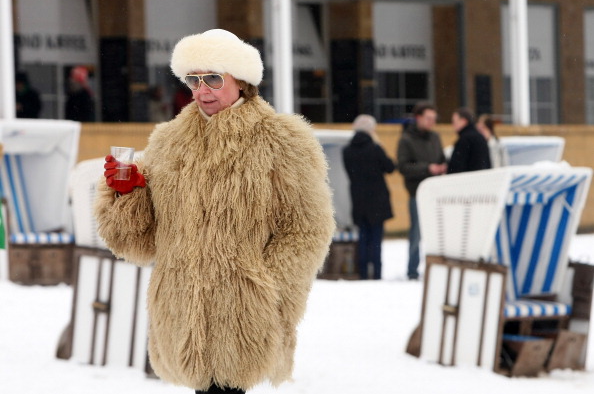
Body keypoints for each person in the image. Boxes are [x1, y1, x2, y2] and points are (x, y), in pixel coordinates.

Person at [93, 29, 335, 394]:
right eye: (193, 79)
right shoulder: (168, 141)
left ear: (241, 81)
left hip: (243, 313)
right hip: (181, 308)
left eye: (213, 79)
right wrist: (128, 194)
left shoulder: (281, 140)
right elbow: (139, 240)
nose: (201, 90)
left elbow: (306, 230)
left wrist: (264, 293)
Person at [397, 103, 447, 280]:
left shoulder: (435, 137)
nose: (432, 122)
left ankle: (436, 268)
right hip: (417, 193)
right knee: (416, 234)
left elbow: (441, 157)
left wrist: (443, 166)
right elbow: (402, 167)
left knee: (438, 233)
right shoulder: (406, 139)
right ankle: (412, 271)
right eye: (428, 118)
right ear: (418, 117)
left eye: (434, 119)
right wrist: (427, 168)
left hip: (436, 193)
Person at [342, 115, 396, 280]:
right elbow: (390, 167)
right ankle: (377, 273)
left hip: (358, 200)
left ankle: (364, 273)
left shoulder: (346, 151)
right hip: (377, 201)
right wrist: (379, 146)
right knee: (376, 239)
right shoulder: (375, 148)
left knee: (363, 238)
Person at [447, 107, 491, 174]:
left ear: (464, 121)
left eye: (454, 121)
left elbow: (457, 166)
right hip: (481, 179)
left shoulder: (465, 139)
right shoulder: (480, 137)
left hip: (468, 181)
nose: (453, 125)